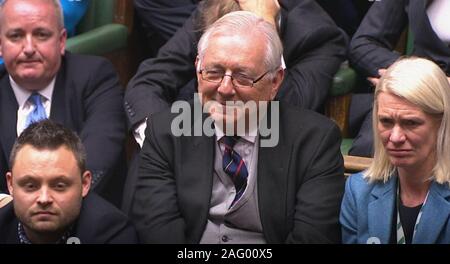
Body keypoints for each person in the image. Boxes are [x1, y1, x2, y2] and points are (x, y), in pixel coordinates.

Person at [131, 11, 345, 244]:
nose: (224, 88)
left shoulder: (315, 142)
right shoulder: (165, 132)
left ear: (275, 81)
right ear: (197, 68)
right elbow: (158, 231)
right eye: (213, 72)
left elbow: (312, 238)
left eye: (243, 77)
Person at [125, 0, 347, 148]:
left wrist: (266, 32)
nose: (225, 87)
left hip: (269, 155)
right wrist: (159, 142)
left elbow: (283, 113)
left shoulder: (318, 35)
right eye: (217, 70)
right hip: (201, 139)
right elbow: (148, 81)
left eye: (243, 73)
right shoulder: (214, 9)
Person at [0, 0, 126, 206]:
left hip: (85, 221)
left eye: (41, 35)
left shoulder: (96, 78)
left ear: (61, 41)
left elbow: (97, 161)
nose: (29, 48)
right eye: (16, 36)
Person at [340, 57, 450, 244]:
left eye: (411, 123)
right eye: (386, 121)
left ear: (441, 122)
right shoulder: (359, 191)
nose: (395, 137)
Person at [0, 120, 138, 244]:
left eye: (59, 186)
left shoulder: (111, 233)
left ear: (84, 184)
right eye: (30, 186)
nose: (44, 199)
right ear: (11, 184)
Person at [347, 0, 450, 157]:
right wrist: (407, 73)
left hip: (433, 92)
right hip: (413, 92)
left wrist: (439, 84)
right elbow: (364, 44)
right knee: (369, 150)